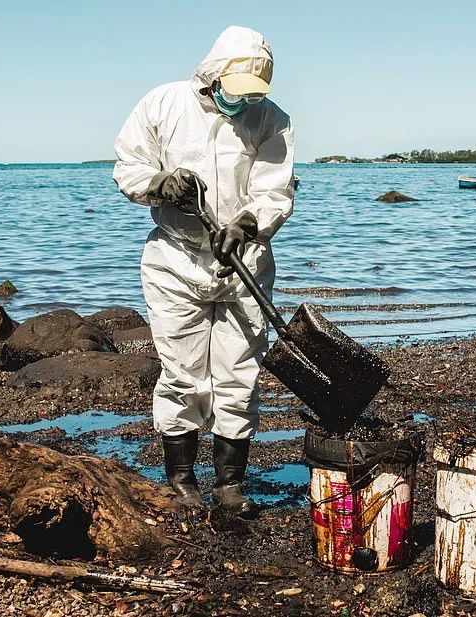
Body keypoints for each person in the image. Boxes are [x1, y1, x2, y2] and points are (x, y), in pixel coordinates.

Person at [112, 26, 294, 517]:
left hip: (244, 260)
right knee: (181, 372)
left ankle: (230, 486)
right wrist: (160, 183)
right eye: (237, 92)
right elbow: (128, 167)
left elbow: (275, 190)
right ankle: (181, 480)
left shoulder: (272, 120)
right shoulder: (164, 104)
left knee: (240, 373)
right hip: (176, 259)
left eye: (253, 95)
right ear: (212, 75)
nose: (244, 102)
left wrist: (248, 223)